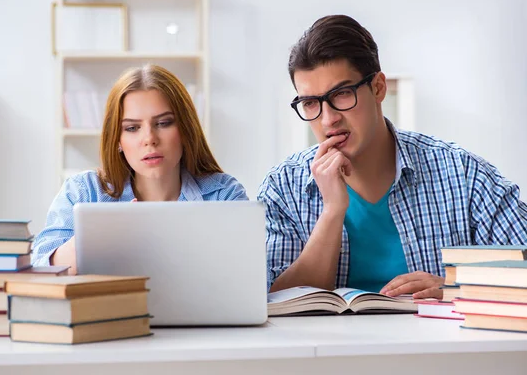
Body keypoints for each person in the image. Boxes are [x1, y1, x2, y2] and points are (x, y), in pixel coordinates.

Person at [258, 15, 527, 299]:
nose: (328, 120)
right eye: (311, 103)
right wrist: (332, 211)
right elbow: (274, 302)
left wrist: (456, 286)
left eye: (341, 94)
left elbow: (521, 266)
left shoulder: (462, 173)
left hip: (436, 344)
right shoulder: (283, 187)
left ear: (378, 88)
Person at [33, 65, 248, 273]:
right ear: (118, 139)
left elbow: (250, 278)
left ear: (185, 129)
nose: (149, 139)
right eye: (132, 128)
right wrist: (96, 233)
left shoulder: (223, 194)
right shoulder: (84, 192)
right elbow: (40, 268)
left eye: (163, 123)